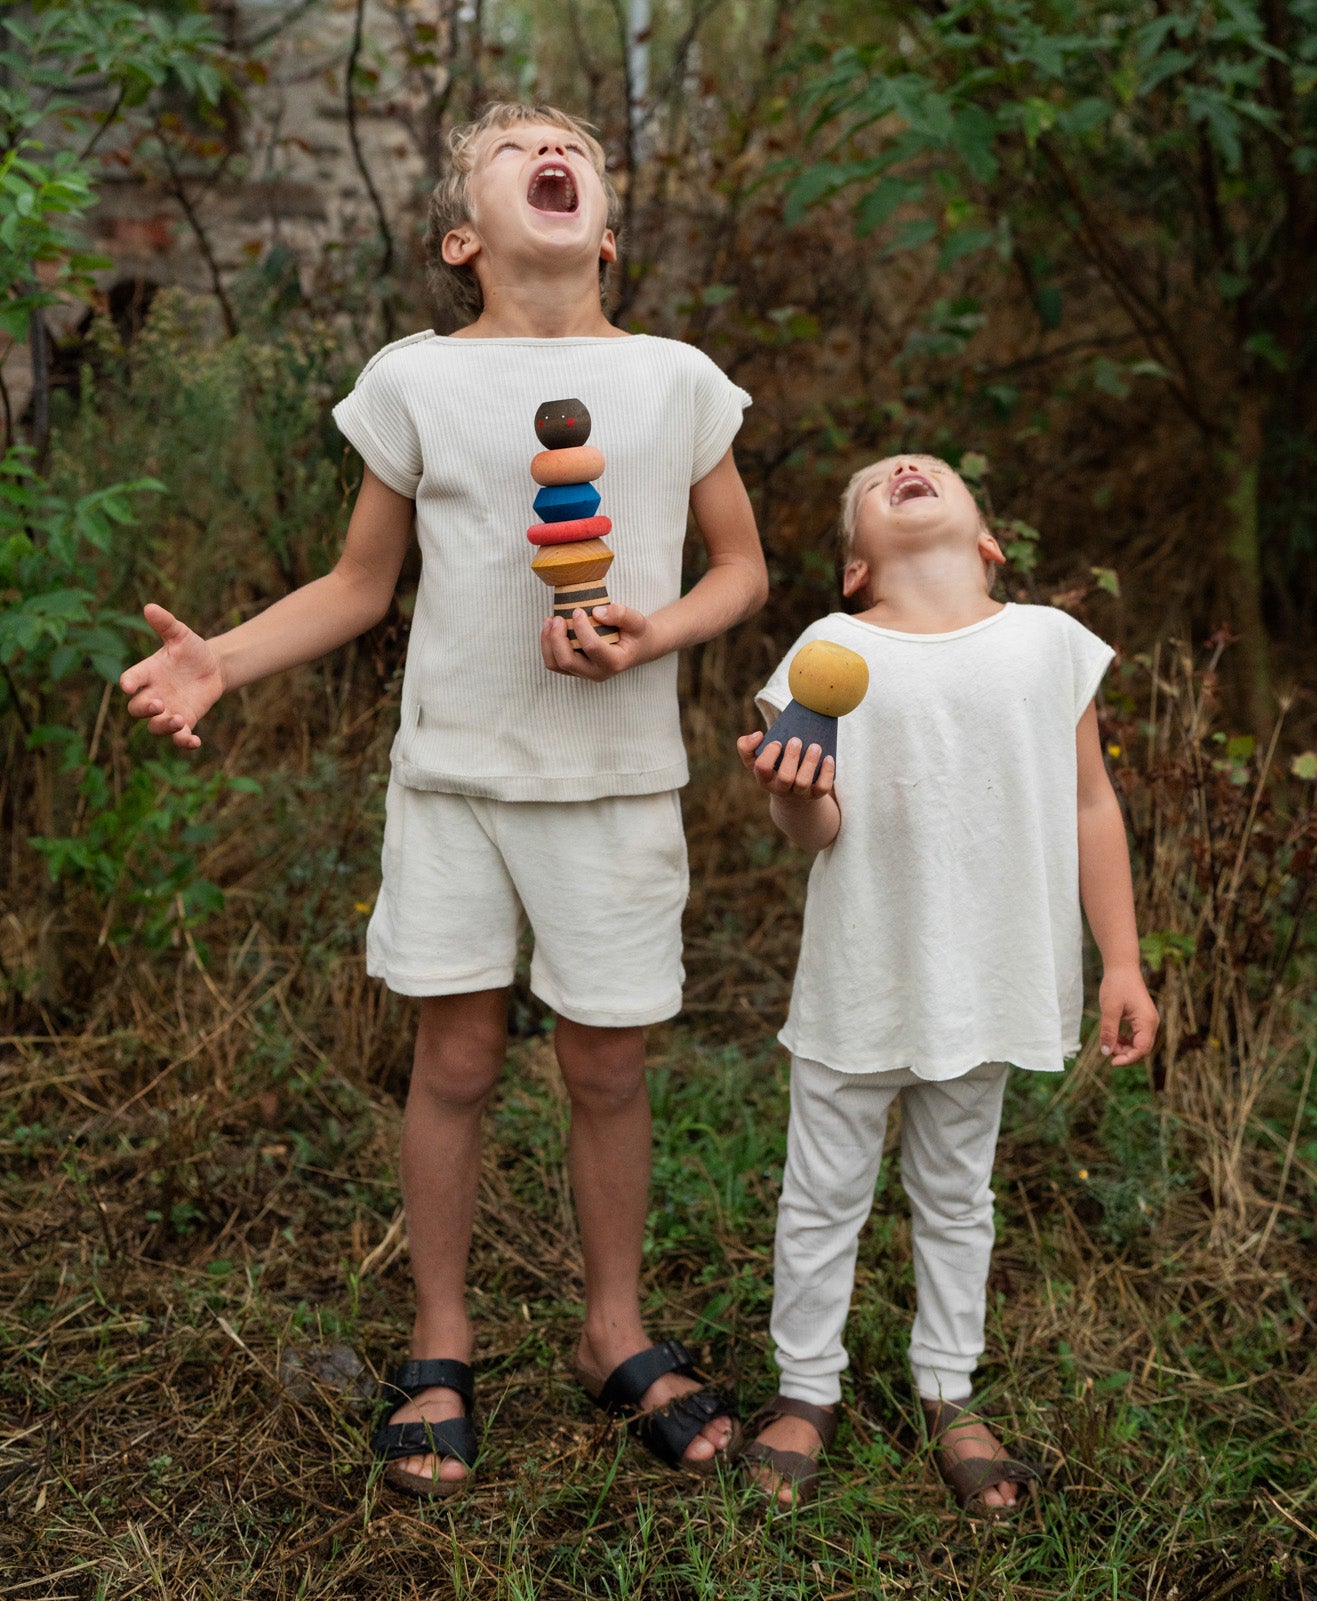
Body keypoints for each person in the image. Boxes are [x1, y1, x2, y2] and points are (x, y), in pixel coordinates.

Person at [119, 101, 767, 1497]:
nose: (554, 150)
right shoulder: (412, 379)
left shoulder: (674, 376)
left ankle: (613, 1328)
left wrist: (647, 634)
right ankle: (441, 1334)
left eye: (577, 149)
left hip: (613, 783)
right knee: (456, 1062)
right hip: (456, 780)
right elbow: (363, 586)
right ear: (461, 234)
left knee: (604, 1066)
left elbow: (740, 569)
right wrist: (220, 658)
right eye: (512, 144)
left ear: (608, 223)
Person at [735, 453, 1157, 1512]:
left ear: (986, 542)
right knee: (823, 1192)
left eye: (924, 466)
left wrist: (1120, 959)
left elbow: (1088, 804)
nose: (904, 466)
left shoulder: (1046, 643)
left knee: (956, 1192)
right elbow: (812, 826)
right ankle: (804, 1389)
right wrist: (789, 795)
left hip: (992, 972)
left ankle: (945, 1382)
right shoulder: (828, 650)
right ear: (852, 566)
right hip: (863, 968)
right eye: (876, 478)